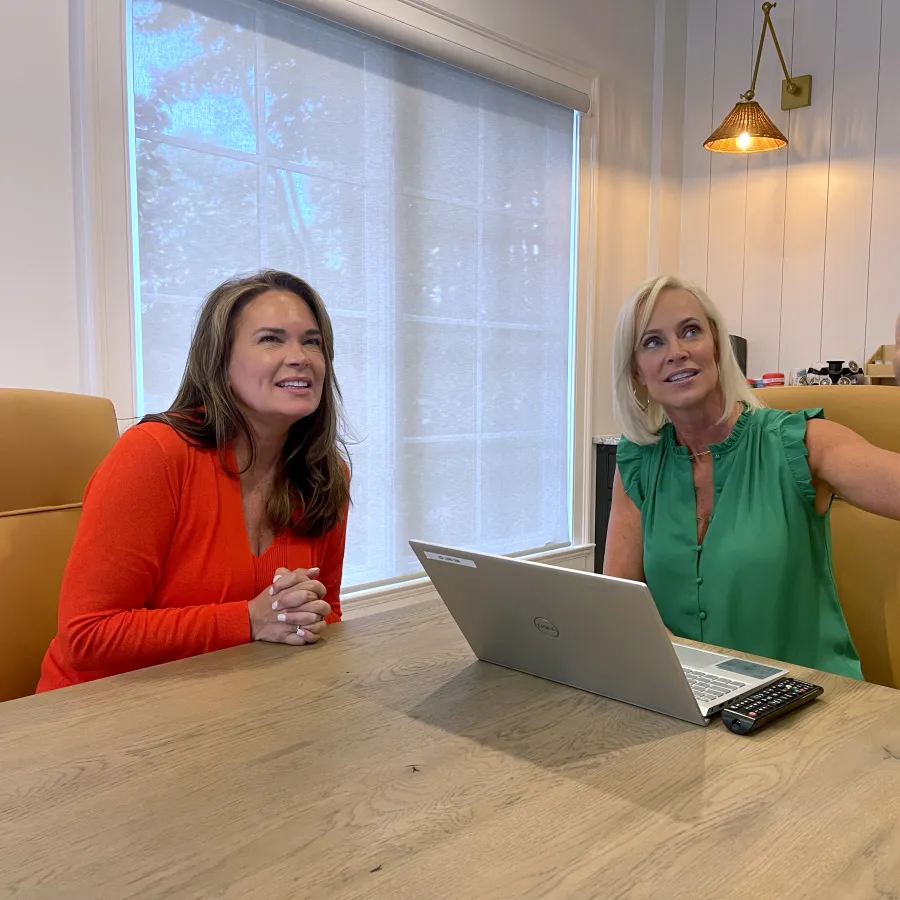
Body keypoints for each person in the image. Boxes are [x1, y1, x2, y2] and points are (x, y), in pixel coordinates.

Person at [37, 270, 351, 691]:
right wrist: (249, 619)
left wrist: (302, 615)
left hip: (231, 705)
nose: (301, 357)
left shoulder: (324, 473)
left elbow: (326, 611)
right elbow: (87, 636)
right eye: (271, 339)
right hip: (98, 716)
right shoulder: (154, 454)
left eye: (312, 341)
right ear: (219, 361)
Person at [605, 274, 900, 680]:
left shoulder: (801, 442)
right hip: (696, 704)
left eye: (690, 331)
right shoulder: (637, 463)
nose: (676, 352)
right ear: (637, 372)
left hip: (808, 709)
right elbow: (621, 603)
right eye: (652, 341)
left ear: (717, 347)